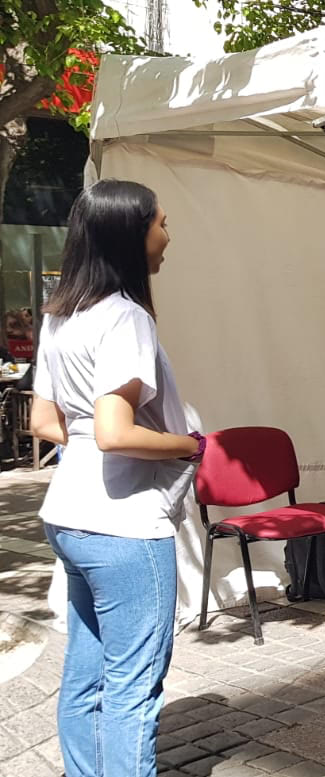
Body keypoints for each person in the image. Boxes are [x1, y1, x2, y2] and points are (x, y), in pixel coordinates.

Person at [29, 179, 202, 777]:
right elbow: (114, 432)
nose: (168, 236)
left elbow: (45, 422)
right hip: (125, 524)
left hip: (67, 515)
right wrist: (191, 445)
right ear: (132, 234)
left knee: (87, 674)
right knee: (133, 686)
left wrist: (91, 437)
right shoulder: (125, 317)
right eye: (161, 223)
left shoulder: (60, 317)